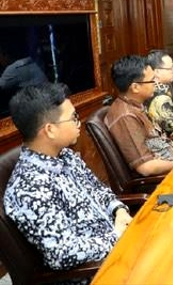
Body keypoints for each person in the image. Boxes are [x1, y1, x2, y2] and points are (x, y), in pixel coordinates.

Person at [3, 83, 132, 273]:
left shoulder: (65, 155)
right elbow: (63, 254)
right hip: (95, 272)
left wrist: (119, 211)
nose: (78, 122)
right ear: (50, 130)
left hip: (119, 248)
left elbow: (99, 190)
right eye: (73, 118)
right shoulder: (30, 188)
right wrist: (116, 236)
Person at [105, 55, 173, 177]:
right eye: (152, 80)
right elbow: (146, 167)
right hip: (163, 180)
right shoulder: (126, 116)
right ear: (135, 87)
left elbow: (160, 137)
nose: (156, 83)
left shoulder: (137, 104)